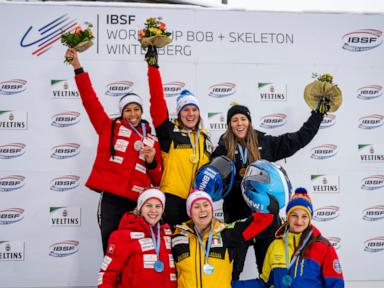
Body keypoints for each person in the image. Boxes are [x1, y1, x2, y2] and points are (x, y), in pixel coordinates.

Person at [212, 102, 327, 278]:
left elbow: (298, 139)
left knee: (272, 274)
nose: (239, 123)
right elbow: (215, 184)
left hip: (267, 220)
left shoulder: (265, 143)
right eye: (234, 120)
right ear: (229, 124)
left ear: (249, 121)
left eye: (243, 119)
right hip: (237, 220)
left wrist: (318, 114)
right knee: (231, 274)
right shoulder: (222, 150)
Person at [65, 48, 163, 254]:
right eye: (128, 110)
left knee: (135, 252)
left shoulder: (152, 139)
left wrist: (152, 161)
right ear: (122, 112)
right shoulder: (108, 127)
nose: (133, 114)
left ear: (142, 111)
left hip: (139, 203)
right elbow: (89, 100)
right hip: (112, 200)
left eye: (136, 109)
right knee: (110, 250)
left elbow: (158, 177)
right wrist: (77, 67)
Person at [146, 46, 213, 229]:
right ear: (179, 113)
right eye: (185, 110)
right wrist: (153, 68)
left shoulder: (205, 139)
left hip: (198, 203)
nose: (190, 114)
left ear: (199, 113)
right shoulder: (169, 131)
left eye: (194, 110)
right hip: (173, 200)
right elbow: (157, 102)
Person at [232, 187, 345, 288]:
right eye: (294, 215)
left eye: (304, 216)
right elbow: (264, 283)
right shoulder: (275, 245)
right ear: (287, 217)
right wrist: (231, 285)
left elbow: (336, 284)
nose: (299, 221)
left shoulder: (323, 247)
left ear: (310, 219)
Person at [171, 190, 280, 288]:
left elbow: (261, 221)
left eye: (206, 205)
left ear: (212, 209)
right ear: (190, 212)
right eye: (196, 206)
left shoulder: (226, 232)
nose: (202, 209)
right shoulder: (178, 237)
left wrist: (268, 206)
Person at [97, 188, 177, 288]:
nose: (153, 210)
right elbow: (107, 276)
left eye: (158, 206)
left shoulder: (170, 235)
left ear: (162, 209)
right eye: (148, 205)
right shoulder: (123, 236)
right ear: (140, 208)